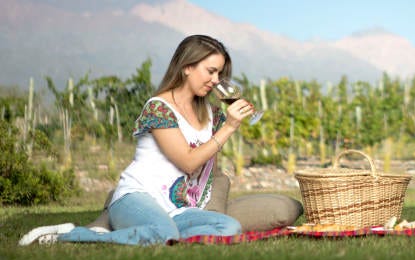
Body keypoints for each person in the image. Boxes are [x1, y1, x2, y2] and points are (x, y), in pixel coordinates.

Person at [20, 35, 257, 245]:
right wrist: (229, 126)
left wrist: (226, 124)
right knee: (163, 233)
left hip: (176, 209)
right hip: (135, 197)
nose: (216, 80)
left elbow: (206, 166)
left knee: (229, 228)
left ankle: (156, 235)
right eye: (211, 71)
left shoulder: (211, 114)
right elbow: (188, 162)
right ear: (187, 67)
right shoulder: (159, 108)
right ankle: (72, 236)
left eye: (220, 73)